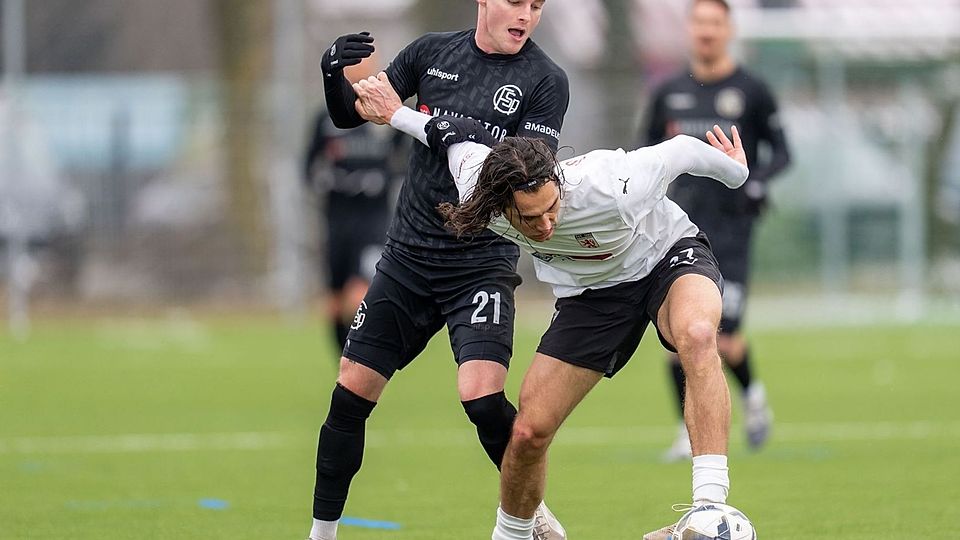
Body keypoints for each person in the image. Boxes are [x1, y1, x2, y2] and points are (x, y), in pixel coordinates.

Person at [351, 72, 749, 540]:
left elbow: (682, 149)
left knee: (699, 335)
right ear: (499, 205)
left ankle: (708, 508)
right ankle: (514, 533)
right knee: (526, 434)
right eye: (530, 217)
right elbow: (447, 132)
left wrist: (736, 171)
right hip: (591, 297)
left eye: (552, 209)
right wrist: (393, 112)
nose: (544, 224)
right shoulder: (475, 184)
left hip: (665, 256)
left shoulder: (612, 183)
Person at [309, 1, 570, 539]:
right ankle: (321, 535)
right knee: (350, 392)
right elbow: (354, 112)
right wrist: (335, 74)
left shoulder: (546, 79)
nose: (526, 15)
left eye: (537, 6)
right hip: (408, 258)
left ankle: (528, 514)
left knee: (481, 397)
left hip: (480, 263)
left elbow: (524, 168)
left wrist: (433, 123)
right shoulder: (431, 52)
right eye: (517, 2)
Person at [639, 0, 791, 461]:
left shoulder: (752, 91)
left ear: (728, 29)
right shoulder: (667, 93)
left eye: (715, 23)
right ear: (690, 30)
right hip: (677, 231)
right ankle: (688, 433)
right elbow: (646, 154)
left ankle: (753, 398)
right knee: (678, 337)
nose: (706, 31)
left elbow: (783, 152)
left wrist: (758, 181)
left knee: (725, 339)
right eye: (699, 22)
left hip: (732, 231)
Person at [303, 55, 404, 352]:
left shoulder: (385, 116)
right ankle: (343, 357)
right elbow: (309, 166)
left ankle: (362, 353)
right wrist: (325, 182)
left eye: (366, 63)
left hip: (373, 217)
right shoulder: (325, 118)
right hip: (336, 216)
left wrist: (380, 180)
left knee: (361, 290)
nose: (361, 68)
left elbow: (405, 162)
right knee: (334, 298)